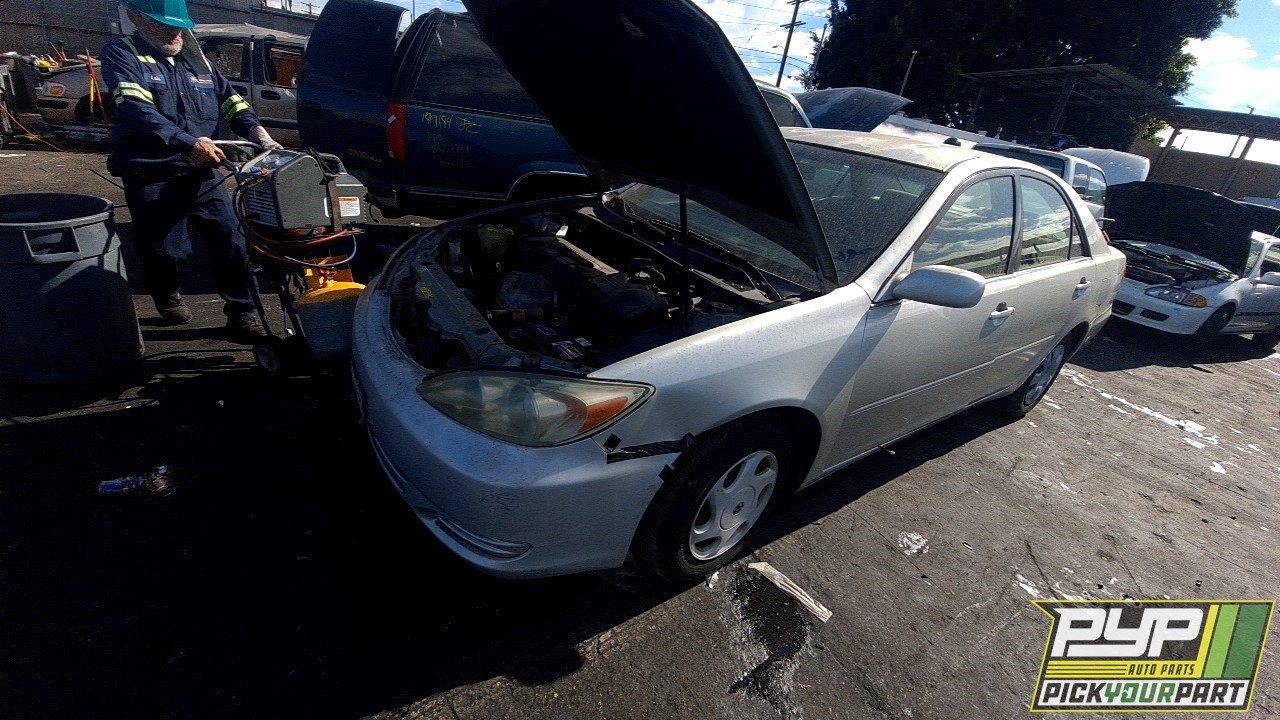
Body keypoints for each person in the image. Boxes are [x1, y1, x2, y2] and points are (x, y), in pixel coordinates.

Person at [100, 0, 283, 342]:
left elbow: (232, 102)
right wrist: (187, 143)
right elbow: (137, 110)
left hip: (204, 173)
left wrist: (258, 133)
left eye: (178, 24)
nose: (174, 30)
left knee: (231, 240)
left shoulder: (197, 61)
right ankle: (166, 291)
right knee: (165, 251)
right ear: (135, 17)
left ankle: (241, 313)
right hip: (154, 172)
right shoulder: (122, 55)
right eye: (162, 23)